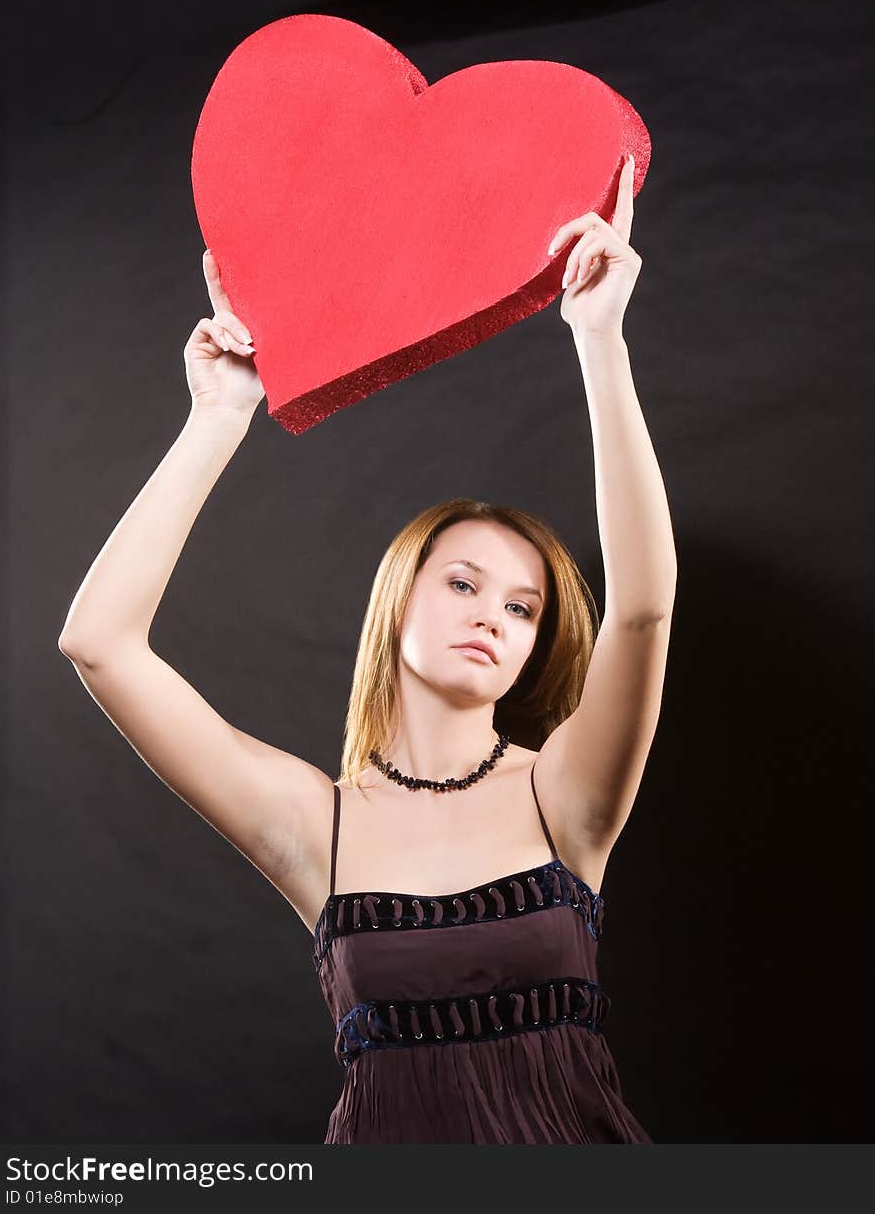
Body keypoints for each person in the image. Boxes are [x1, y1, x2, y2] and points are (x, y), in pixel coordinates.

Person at [58, 154, 676, 1143]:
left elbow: (642, 610)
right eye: (464, 583)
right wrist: (217, 417)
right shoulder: (313, 823)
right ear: (397, 604)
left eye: (524, 609)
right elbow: (98, 644)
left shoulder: (565, 796)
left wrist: (600, 342)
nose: (493, 616)